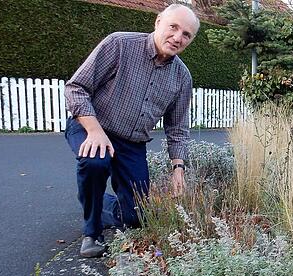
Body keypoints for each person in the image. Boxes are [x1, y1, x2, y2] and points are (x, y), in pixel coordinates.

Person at [64, 4, 199, 257]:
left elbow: (177, 128)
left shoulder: (182, 77)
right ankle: (91, 233)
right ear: (158, 22)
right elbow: (76, 87)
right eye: (174, 27)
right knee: (96, 162)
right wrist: (94, 130)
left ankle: (97, 202)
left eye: (186, 34)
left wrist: (178, 168)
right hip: (91, 125)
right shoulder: (119, 44)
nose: (178, 37)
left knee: (136, 216)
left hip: (132, 143)